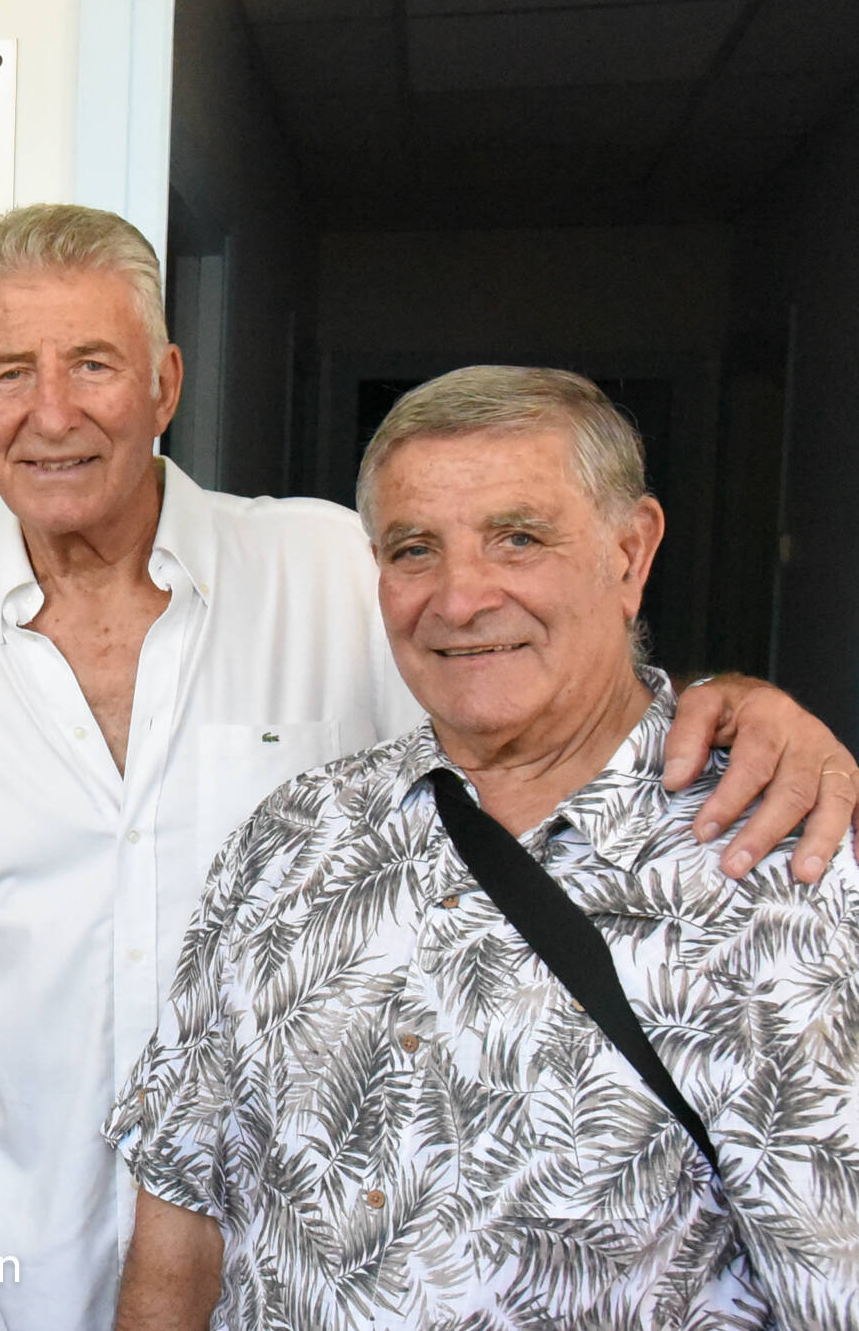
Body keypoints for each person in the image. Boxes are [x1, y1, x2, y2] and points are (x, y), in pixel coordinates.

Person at [0, 205, 859, 1331]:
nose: (51, 412)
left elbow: (533, 692)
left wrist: (744, 708)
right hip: (23, 1228)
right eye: (9, 373)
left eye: (92, 363)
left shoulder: (330, 561)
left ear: (163, 384)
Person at [107, 364, 859, 1328]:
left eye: (519, 537)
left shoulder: (783, 882)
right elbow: (182, 1217)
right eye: (416, 549)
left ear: (630, 554)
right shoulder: (292, 839)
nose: (461, 599)